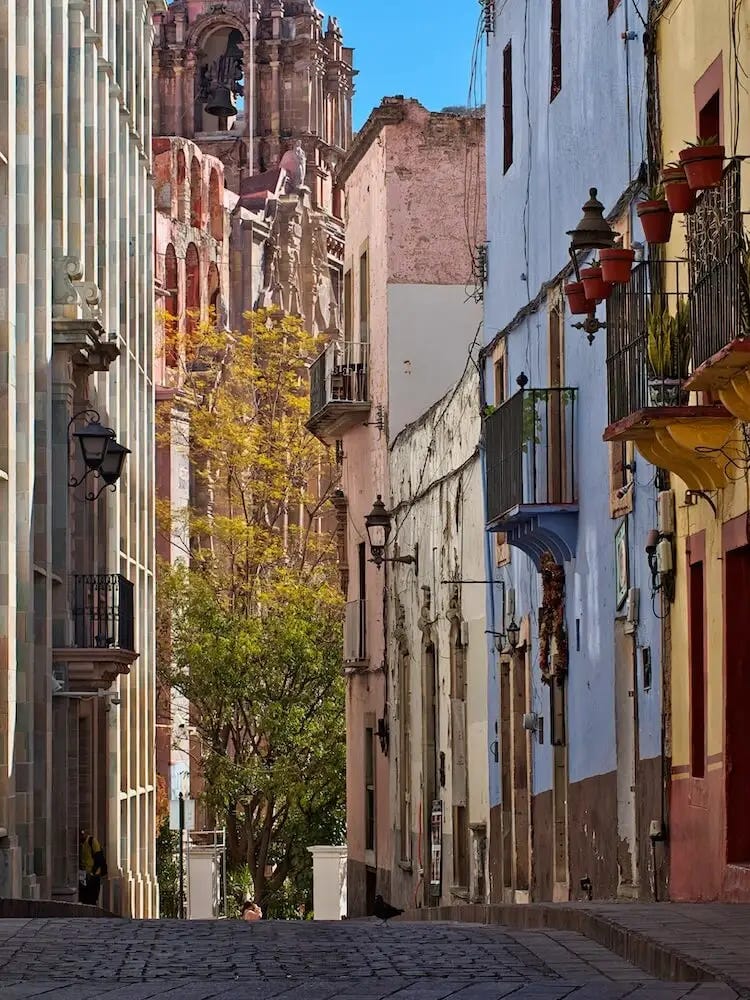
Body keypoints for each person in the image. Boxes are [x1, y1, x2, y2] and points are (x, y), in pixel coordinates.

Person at [79, 828, 107, 906]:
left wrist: (93, 872)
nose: (81, 837)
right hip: (84, 874)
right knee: (85, 896)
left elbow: (99, 857)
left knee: (92, 896)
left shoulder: (92, 841)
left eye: (83, 834)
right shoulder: (81, 844)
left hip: (93, 874)